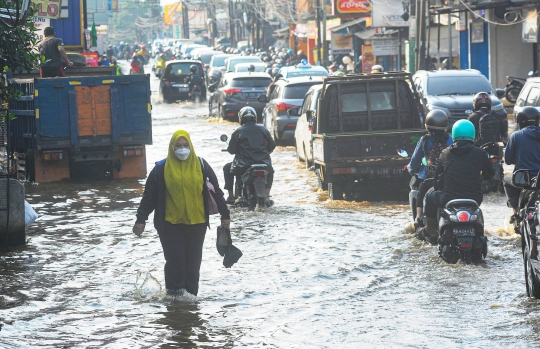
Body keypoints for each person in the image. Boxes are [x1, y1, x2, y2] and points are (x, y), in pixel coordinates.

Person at [133, 130, 230, 296]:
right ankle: (175, 298)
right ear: (172, 147)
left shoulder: (202, 165)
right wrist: (141, 219)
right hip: (170, 224)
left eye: (185, 145)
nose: (182, 149)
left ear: (191, 146)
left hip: (197, 223)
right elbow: (149, 197)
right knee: (175, 261)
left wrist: (225, 214)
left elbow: (216, 191)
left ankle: (191, 297)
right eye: (178, 146)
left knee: (193, 263)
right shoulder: (160, 169)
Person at [419, 120, 494, 243]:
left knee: (429, 196)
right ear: (473, 135)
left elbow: (437, 179)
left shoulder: (445, 153)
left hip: (448, 199)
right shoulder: (480, 153)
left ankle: (430, 229)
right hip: (474, 198)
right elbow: (490, 174)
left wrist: (438, 187)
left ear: (454, 134)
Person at [223, 107, 276, 206]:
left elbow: (231, 150)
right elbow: (272, 146)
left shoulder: (238, 132)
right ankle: (267, 196)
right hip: (264, 164)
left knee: (227, 168)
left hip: (243, 165)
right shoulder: (264, 130)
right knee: (271, 171)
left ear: (241, 118)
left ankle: (231, 197)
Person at [407, 110, 453, 227]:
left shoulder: (425, 140)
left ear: (427, 125)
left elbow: (415, 161)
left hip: (428, 179)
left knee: (420, 193)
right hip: (447, 178)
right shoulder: (451, 139)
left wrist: (411, 170)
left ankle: (418, 218)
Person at [503, 106, 540, 217]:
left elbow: (508, 160)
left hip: (523, 180)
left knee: (506, 179)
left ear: (520, 121)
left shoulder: (516, 136)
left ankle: (516, 211)